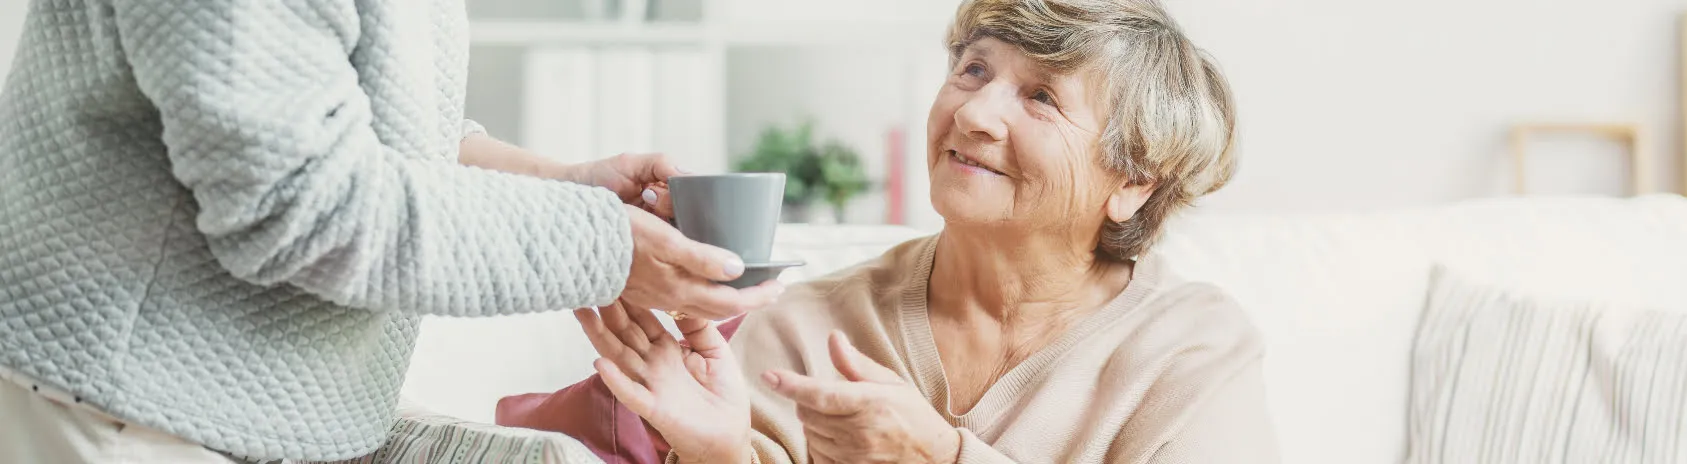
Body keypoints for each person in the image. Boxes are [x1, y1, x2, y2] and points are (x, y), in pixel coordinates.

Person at [0, 0, 780, 462]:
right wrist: (607, 250)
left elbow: (369, 130)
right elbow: (301, 203)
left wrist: (568, 187)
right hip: (127, 405)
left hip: (275, 413)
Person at [566, 0, 1278, 462]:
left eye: (1040, 96)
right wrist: (721, 453)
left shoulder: (1188, 349)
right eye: (973, 70)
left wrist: (941, 455)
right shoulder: (808, 324)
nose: (973, 114)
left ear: (1132, 182)